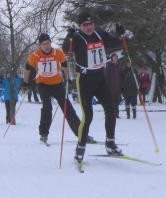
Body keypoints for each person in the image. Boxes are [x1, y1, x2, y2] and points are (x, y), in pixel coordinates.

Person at [62, 11, 125, 162]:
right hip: (85, 80)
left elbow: (115, 43)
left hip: (100, 78)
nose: (89, 27)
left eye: (91, 24)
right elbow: (66, 49)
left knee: (111, 109)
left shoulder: (100, 34)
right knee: (88, 116)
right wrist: (68, 36)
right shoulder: (77, 38)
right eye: (85, 25)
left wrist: (120, 34)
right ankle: (81, 147)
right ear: (80, 26)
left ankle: (110, 143)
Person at [23, 33, 95, 144]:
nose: (46, 46)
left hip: (57, 84)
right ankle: (44, 134)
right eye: (43, 44)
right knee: (47, 105)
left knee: (67, 107)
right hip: (42, 84)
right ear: (40, 45)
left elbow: (65, 65)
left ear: (50, 43)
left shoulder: (58, 53)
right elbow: (27, 67)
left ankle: (81, 133)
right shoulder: (35, 56)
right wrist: (25, 82)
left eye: (48, 43)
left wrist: (67, 79)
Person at [104, 53, 123, 118]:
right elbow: (106, 77)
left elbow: (121, 77)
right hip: (110, 88)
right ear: (112, 59)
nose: (115, 59)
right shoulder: (108, 67)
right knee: (110, 103)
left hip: (117, 89)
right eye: (114, 58)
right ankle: (109, 114)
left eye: (116, 58)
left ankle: (116, 114)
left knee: (116, 103)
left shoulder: (119, 67)